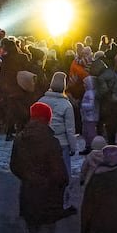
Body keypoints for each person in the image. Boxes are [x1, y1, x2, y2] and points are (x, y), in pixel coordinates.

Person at [8, 101, 68, 233]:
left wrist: (29, 178)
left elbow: (14, 166)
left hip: (28, 194)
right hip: (48, 196)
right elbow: (60, 174)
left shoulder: (20, 138)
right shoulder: (51, 141)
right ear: (47, 118)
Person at [37, 71, 77, 209]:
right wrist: (73, 147)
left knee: (45, 172)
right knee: (64, 174)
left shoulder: (41, 101)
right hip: (62, 144)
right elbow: (70, 130)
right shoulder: (66, 105)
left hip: (44, 142)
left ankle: (45, 200)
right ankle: (63, 202)